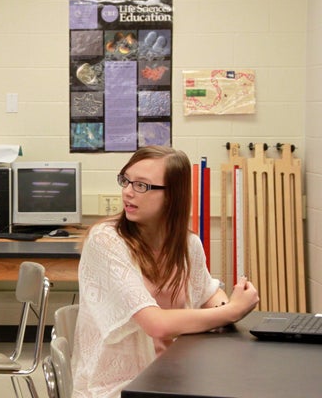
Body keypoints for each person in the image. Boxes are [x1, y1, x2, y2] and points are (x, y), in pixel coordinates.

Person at [72, 146, 259, 398]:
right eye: (126, 180)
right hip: (120, 386)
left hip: (176, 374)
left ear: (172, 196)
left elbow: (208, 294)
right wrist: (233, 310)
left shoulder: (187, 244)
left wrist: (229, 301)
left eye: (142, 186)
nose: (127, 192)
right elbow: (156, 324)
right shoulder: (106, 241)